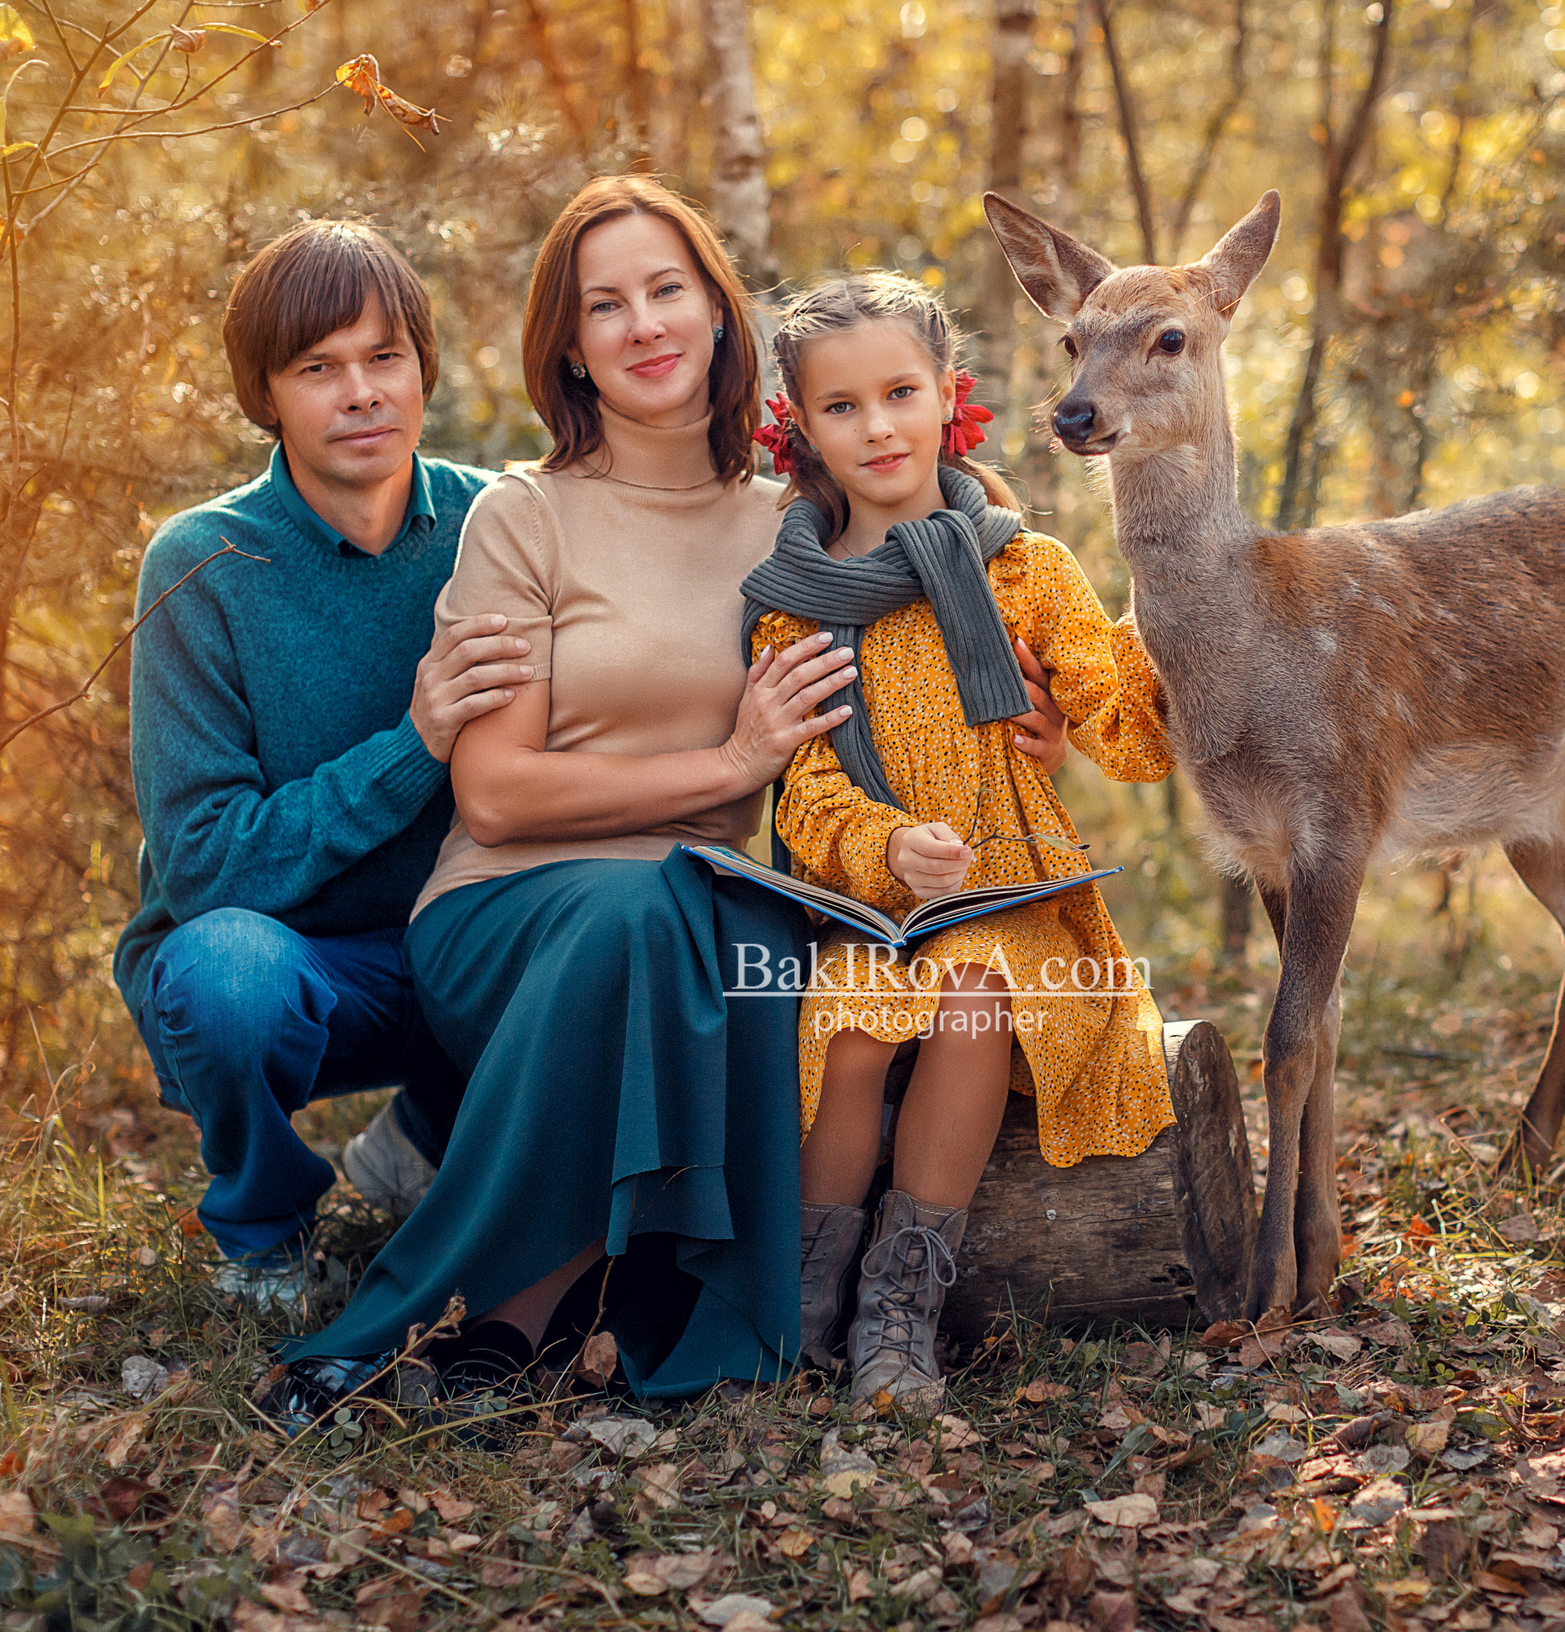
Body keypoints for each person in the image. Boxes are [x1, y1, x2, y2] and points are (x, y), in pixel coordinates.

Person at [275, 179, 1074, 1410]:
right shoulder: (524, 517)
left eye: (666, 290)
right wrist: (730, 767)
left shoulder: (800, 529)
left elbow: (941, 682)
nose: (642, 323)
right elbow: (493, 795)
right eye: (605, 305)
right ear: (571, 349)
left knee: (745, 930)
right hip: (513, 915)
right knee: (652, 908)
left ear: (715, 315)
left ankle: (660, 1304)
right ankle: (475, 1322)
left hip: (707, 916)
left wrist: (1029, 723)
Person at [741, 273, 1177, 1409]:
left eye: (899, 393)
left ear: (948, 396)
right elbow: (804, 797)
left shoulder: (1024, 569)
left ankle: (900, 1302)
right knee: (849, 1022)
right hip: (878, 906)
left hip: (1017, 894)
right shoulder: (798, 601)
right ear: (802, 427)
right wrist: (887, 848)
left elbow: (1133, 741)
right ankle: (803, 1290)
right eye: (842, 407)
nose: (877, 427)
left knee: (976, 987)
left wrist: (1125, 662)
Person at [118, 221, 543, 1306]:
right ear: (264, 394)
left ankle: (430, 1137)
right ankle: (265, 1226)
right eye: (318, 368)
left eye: (383, 357)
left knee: (604, 923)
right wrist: (414, 744)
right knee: (226, 978)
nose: (361, 394)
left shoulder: (501, 523)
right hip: (288, 964)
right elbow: (204, 867)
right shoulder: (202, 565)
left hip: (460, 946)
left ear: (422, 368)